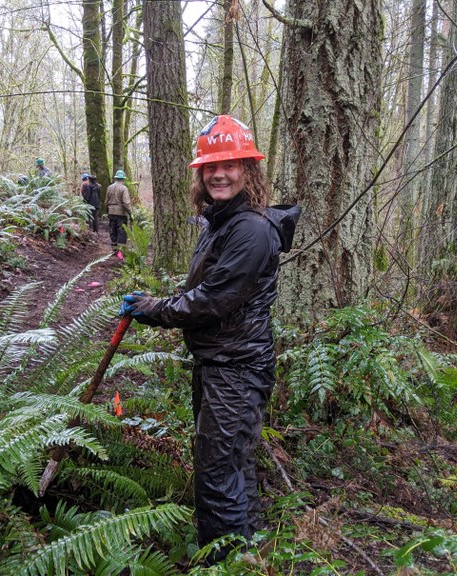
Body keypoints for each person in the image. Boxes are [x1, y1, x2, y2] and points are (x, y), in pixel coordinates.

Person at [119, 115, 301, 563]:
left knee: (217, 473)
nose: (219, 174)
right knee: (232, 466)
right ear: (201, 174)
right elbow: (198, 289)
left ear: (248, 170)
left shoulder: (251, 230)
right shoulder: (219, 222)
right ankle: (249, 554)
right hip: (220, 364)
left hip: (237, 370)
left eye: (231, 165)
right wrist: (158, 300)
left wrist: (153, 309)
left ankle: (222, 566)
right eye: (210, 167)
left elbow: (212, 301)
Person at [105, 169, 132, 253]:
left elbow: (106, 201)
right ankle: (120, 251)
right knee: (121, 231)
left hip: (111, 212)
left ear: (116, 178)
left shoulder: (109, 187)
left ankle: (114, 250)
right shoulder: (124, 188)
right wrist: (130, 213)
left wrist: (108, 210)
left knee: (113, 230)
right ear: (123, 179)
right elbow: (126, 202)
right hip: (121, 213)